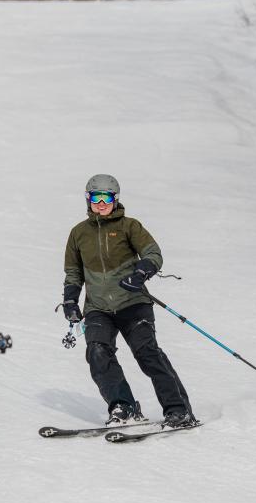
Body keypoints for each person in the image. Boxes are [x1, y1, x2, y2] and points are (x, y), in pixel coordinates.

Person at [62, 174, 196, 428]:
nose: (101, 203)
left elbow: (153, 253)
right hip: (98, 308)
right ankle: (123, 405)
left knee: (148, 354)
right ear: (88, 200)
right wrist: (70, 301)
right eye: (95, 198)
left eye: (107, 198)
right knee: (98, 352)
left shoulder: (129, 226)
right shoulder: (78, 233)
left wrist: (140, 273)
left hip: (133, 303)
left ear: (116, 199)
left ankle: (179, 409)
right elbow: (73, 273)